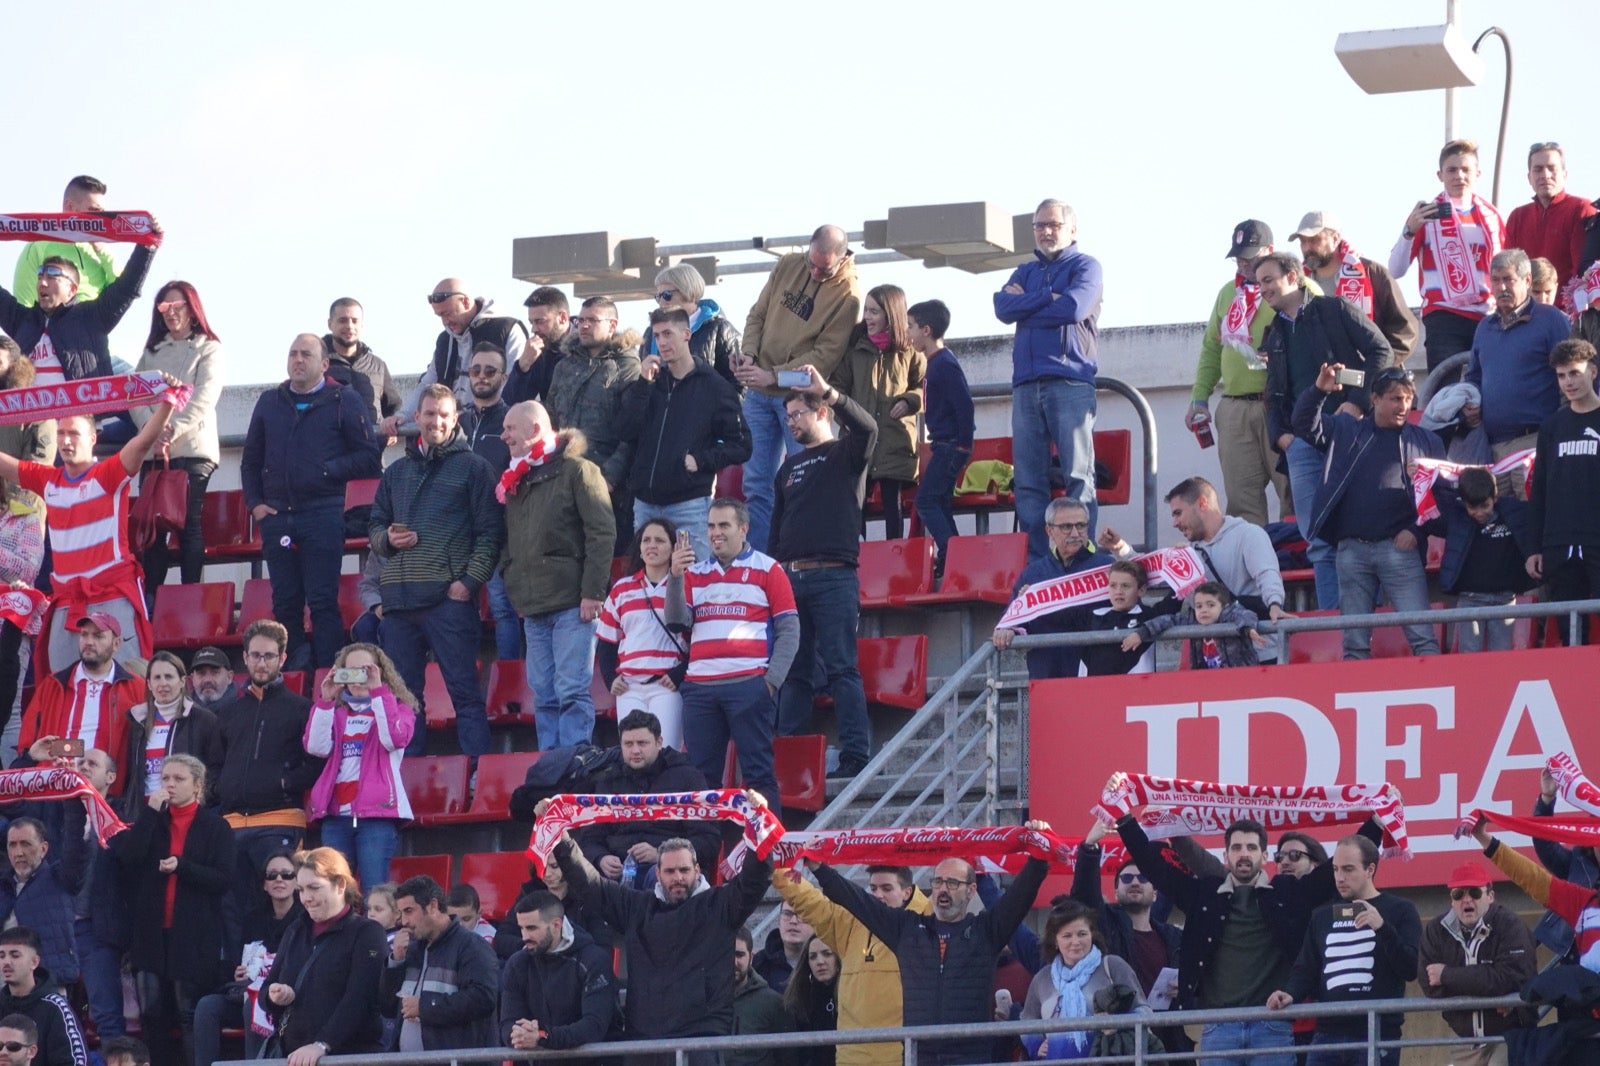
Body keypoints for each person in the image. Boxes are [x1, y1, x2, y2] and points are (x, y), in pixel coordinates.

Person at [1112, 776, 1369, 1066]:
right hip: (1218, 1028)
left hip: (1272, 1026)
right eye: (1236, 848)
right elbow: (1151, 864)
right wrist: (1122, 816)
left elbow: (1332, 873)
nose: (1243, 854)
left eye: (1250, 848)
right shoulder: (1203, 893)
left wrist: (1378, 822)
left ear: (1264, 855)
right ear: (1226, 856)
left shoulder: (1288, 893)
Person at [543, 792, 775, 1064]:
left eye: (684, 870)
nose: (678, 877)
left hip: (702, 1040)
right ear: (657, 872)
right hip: (645, 1042)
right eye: (669, 871)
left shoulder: (720, 905)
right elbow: (590, 885)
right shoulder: (636, 907)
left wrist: (759, 822)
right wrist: (560, 836)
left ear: (697, 870)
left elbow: (755, 879)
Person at [809, 822, 1053, 1066]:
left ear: (971, 891)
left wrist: (1039, 854)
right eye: (938, 882)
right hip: (918, 1057)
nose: (943, 889)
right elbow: (858, 901)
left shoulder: (985, 931)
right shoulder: (906, 929)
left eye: (953, 883)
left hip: (971, 1057)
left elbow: (1020, 896)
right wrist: (820, 869)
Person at [2, 388, 181, 674]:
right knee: (61, 686)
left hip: (111, 595)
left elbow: (144, 440)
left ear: (93, 439)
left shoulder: (108, 474)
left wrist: (168, 403)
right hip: (67, 602)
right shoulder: (48, 480)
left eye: (73, 433)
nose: (65, 441)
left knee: (129, 683)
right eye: (60, 434)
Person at [370, 384, 502, 760]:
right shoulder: (395, 473)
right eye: (429, 414)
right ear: (417, 418)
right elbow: (375, 526)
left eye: (444, 415)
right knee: (404, 699)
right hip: (398, 603)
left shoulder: (475, 468)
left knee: (465, 694)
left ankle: (478, 777)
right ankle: (409, 785)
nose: (436, 421)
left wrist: (467, 584)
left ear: (455, 419)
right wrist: (388, 541)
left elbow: (490, 534)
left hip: (448, 602)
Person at [1259, 250, 1394, 611]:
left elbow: (1381, 350)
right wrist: (1281, 437)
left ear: (1293, 276)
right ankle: (1334, 623)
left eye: (1269, 280)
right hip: (1301, 444)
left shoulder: (1335, 309)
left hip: (1347, 434)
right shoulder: (1272, 334)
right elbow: (1272, 393)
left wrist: (1358, 403)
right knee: (1318, 539)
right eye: (1259, 284)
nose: (1263, 290)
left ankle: (1368, 623)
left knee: (1363, 534)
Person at [241, 333, 381, 669]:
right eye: (292, 354)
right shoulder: (269, 401)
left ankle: (327, 677)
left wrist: (325, 471)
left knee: (322, 602)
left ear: (324, 363)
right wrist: (256, 505)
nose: (298, 360)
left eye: (306, 354)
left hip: (323, 513)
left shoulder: (343, 399)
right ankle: (291, 676)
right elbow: (250, 461)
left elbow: (368, 457)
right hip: (277, 517)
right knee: (285, 602)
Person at [1294, 365, 1443, 658]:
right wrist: (1319, 391)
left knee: (1423, 639)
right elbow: (1302, 424)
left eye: (1407, 399)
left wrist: (1416, 530)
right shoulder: (1347, 430)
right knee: (1354, 645)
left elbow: (1444, 497)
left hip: (1399, 550)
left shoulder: (1426, 441)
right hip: (1351, 551)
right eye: (1394, 399)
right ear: (1374, 399)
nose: (1403, 406)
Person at [770, 368, 876, 775]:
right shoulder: (787, 470)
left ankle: (855, 757)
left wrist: (830, 392)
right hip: (790, 577)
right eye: (790, 415)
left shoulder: (845, 454)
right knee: (794, 673)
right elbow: (775, 537)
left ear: (822, 414)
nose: (793, 421)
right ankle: (792, 758)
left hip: (834, 576)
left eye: (800, 413)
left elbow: (868, 429)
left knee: (841, 666)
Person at [736, 225, 863, 552]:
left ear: (843, 258)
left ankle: (799, 556)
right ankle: (761, 561)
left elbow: (825, 357)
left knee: (806, 480)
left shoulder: (849, 295)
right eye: (812, 263)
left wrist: (773, 376)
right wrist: (749, 355)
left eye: (825, 268)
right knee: (755, 486)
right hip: (759, 391)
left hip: (801, 399)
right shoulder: (787, 265)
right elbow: (757, 315)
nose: (815, 272)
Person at [666, 499, 795, 816]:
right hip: (700, 689)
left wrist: (770, 683)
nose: (715, 533)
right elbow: (675, 620)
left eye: (724, 525)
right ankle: (701, 863)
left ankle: (769, 861)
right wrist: (675, 576)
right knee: (699, 781)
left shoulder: (768, 568)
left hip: (749, 686)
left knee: (759, 777)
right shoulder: (694, 573)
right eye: (711, 526)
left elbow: (790, 630)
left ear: (743, 528)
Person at [499, 400, 614, 750]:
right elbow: (509, 539)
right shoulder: (518, 477)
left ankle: (575, 766)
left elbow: (602, 532)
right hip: (533, 607)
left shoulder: (578, 471)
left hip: (572, 605)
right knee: (544, 695)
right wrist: (512, 575)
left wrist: (592, 592)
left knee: (570, 691)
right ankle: (551, 768)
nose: (503, 436)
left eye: (509, 429)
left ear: (534, 430)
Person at [995, 199, 1105, 558]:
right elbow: (1001, 308)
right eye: (1039, 225)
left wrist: (1026, 304)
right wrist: (1046, 298)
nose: (1045, 231)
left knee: (1078, 477)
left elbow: (1074, 308)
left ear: (1072, 230)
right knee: (1028, 483)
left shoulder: (1087, 266)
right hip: (1026, 386)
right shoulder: (1024, 271)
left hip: (1070, 381)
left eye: (1053, 225)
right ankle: (1042, 564)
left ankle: (1080, 558)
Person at [109, 753, 235, 1066]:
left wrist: (183, 867)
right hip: (150, 935)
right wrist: (150, 814)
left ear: (198, 785)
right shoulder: (152, 821)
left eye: (178, 779)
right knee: (151, 1013)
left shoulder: (215, 826)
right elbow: (129, 858)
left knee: (187, 1013)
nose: (170, 785)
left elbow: (223, 878)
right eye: (165, 778)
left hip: (191, 936)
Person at [1266, 836, 1422, 1066]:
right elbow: (1306, 969)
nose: (1340, 878)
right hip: (1327, 1035)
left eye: (1348, 869)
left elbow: (1410, 969)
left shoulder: (1400, 910)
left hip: (1377, 1033)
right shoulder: (1322, 915)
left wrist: (1382, 927)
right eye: (1336, 869)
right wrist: (1290, 993)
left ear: (1370, 869)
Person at [216, 620, 323, 941]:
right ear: (245, 658)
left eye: (269, 656)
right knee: (232, 907)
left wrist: (281, 783)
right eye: (255, 656)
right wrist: (221, 788)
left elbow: (316, 763)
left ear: (282, 658)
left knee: (284, 902)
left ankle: (282, 977)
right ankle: (241, 979)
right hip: (232, 824)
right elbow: (215, 764)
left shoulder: (302, 709)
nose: (261, 663)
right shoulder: (229, 712)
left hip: (280, 821)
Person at [620, 308, 751, 562]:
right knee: (648, 585)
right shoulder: (651, 382)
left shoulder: (714, 386)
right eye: (657, 336)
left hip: (689, 505)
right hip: (645, 503)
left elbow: (742, 444)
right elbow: (625, 429)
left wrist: (701, 460)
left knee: (696, 584)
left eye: (668, 333)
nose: (662, 342)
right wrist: (642, 385)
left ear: (686, 334)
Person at [1188, 219, 1294, 526]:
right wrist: (1199, 399)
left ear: (1270, 251)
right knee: (1241, 501)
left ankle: (1298, 567)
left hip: (1281, 406)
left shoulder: (1295, 287)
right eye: (1238, 255)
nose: (1243, 262)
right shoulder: (1226, 293)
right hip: (1234, 408)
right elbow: (1211, 348)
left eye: (1250, 254)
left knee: (1293, 495)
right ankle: (1249, 568)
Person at [771, 864, 929, 1066]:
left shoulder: (929, 921)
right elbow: (811, 903)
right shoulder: (851, 922)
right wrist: (776, 868)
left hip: (905, 1058)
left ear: (907, 892)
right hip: (852, 1058)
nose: (878, 895)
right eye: (873, 889)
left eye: (887, 889)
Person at [132, 279, 223, 592]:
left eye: (177, 306)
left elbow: (205, 396)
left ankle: (190, 597)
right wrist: (151, 430)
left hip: (193, 451)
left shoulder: (208, 348)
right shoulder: (150, 352)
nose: (170, 312)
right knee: (152, 528)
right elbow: (136, 395)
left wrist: (171, 429)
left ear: (192, 308)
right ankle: (152, 604)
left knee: (189, 525)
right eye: (164, 306)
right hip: (154, 451)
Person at [303, 642, 415, 893]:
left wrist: (379, 693)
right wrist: (325, 700)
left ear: (380, 673)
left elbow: (393, 739)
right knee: (335, 894)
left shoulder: (399, 710)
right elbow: (315, 747)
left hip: (376, 816)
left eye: (365, 670)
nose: (358, 678)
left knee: (375, 892)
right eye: (350, 671)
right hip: (335, 816)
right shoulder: (337, 713)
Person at [0, 216, 159, 388]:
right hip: (34, 415)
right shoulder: (23, 321)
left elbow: (126, 287)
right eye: (40, 277)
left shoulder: (92, 317)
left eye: (52, 277)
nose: (43, 283)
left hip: (84, 414)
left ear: (72, 289)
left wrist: (146, 246)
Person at [262, 847, 388, 1064]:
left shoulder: (367, 932)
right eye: (301, 890)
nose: (306, 898)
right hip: (295, 1056)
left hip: (348, 1056)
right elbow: (267, 989)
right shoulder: (295, 931)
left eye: (314, 888)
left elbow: (360, 998)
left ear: (340, 885)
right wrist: (275, 996)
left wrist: (322, 1043)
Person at [1389, 139, 1506, 371]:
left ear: (1478, 174)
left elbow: (1504, 267)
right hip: (1443, 314)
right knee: (1445, 391)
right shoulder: (1426, 214)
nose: (1459, 176)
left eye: (1466, 170)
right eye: (1452, 170)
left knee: (1489, 389)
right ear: (1440, 175)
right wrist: (1409, 231)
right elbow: (1395, 269)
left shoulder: (1492, 217)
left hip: (1486, 315)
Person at [1073, 821, 1186, 1054]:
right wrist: (1089, 847)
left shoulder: (1174, 937)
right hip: (1122, 1045)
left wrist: (1185, 989)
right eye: (1126, 879)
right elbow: (1085, 895)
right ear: (1115, 892)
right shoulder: (1107, 926)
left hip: (1170, 1042)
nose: (1135, 882)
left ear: (1155, 893)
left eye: (1143, 878)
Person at [574, 709, 720, 879]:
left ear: (659, 742)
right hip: (617, 873)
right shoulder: (608, 780)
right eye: (628, 744)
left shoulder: (687, 777)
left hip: (670, 872)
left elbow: (708, 839)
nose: (635, 750)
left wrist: (661, 854)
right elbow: (590, 837)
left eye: (642, 743)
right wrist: (600, 858)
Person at [191, 850, 305, 1066]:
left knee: (252, 1005)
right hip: (249, 990)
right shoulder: (253, 917)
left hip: (287, 996)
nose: (279, 879)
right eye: (272, 875)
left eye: (287, 874)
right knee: (207, 1006)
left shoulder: (305, 918)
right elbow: (243, 959)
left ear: (297, 882)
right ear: (264, 884)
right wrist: (239, 971)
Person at [1416, 862, 1537, 1066]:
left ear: (1490, 896)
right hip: (1465, 1041)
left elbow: (1511, 978)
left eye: (1474, 892)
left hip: (1510, 1036)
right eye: (1458, 894)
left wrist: (1447, 975)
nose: (1466, 900)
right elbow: (1429, 985)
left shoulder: (1510, 925)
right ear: (1451, 900)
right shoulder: (1436, 930)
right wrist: (1493, 993)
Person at [829, 284, 924, 540]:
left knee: (893, 504)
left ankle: (895, 554)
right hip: (858, 442)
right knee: (854, 502)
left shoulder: (910, 351)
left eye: (874, 312)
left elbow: (924, 386)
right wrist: (848, 419)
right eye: (866, 311)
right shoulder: (854, 349)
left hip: (896, 440)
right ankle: (857, 556)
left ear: (891, 314)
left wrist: (910, 401)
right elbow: (836, 388)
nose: (867, 317)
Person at [549, 297, 640, 552]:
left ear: (612, 325)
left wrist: (610, 475)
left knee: (603, 553)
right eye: (580, 320)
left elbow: (632, 429)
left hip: (605, 479)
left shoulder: (627, 366)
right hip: (562, 474)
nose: (584, 326)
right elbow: (550, 417)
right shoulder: (564, 366)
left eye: (592, 320)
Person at [1467, 248, 1572, 464]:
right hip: (1492, 448)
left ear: (1527, 280)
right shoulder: (1484, 328)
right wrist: (1468, 404)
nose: (1501, 287)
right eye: (1495, 280)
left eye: (1508, 279)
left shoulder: (1550, 319)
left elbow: (1574, 372)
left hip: (1537, 444)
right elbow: (1473, 379)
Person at [1526, 340, 1600, 643]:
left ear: (1592, 372)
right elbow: (1540, 488)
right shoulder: (1552, 426)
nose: (1568, 382)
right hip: (1560, 546)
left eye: (1574, 373)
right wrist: (1534, 548)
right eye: (1561, 375)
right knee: (1571, 636)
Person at [386, 280, 528, 434]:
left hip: (495, 429)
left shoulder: (507, 330)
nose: (445, 322)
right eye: (439, 315)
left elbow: (514, 380)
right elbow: (427, 384)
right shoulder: (445, 340)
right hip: (452, 431)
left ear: (466, 302)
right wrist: (403, 416)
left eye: (447, 313)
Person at [992, 498, 1113, 679]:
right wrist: (1009, 628)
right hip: (1047, 676)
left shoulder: (1107, 568)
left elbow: (1131, 612)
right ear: (1049, 531)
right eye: (1066, 527)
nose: (1075, 533)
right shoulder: (1033, 573)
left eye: (1081, 525)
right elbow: (1010, 618)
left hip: (1097, 675)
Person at [596, 521, 691, 750]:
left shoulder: (687, 586)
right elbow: (607, 642)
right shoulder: (622, 589)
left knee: (666, 751)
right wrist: (610, 678)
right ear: (639, 548)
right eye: (646, 540)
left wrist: (679, 673)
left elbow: (697, 640)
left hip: (666, 686)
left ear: (673, 548)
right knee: (633, 756)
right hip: (629, 688)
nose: (652, 545)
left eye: (660, 540)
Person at [16, 613, 145, 779]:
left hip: (107, 792)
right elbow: (27, 742)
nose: (89, 642)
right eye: (84, 634)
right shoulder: (53, 684)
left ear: (116, 644)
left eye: (98, 636)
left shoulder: (137, 688)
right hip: (54, 786)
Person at [1017, 900, 1148, 1062]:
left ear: (1092, 934)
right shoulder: (1042, 978)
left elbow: (1144, 1010)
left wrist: (1117, 1023)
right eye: (1067, 936)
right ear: (1055, 941)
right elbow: (1027, 1021)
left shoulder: (1113, 966)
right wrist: (1036, 1045)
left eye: (1082, 934)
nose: (1076, 942)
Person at [382, 875, 498, 1054]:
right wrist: (395, 961)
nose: (404, 921)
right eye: (401, 913)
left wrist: (426, 1007)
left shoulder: (472, 946)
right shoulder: (409, 950)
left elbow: (484, 999)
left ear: (433, 906)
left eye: (409, 911)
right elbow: (388, 1007)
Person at [1288, 211, 1418, 366]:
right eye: (1303, 242)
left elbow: (1404, 331)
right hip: (1320, 381)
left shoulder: (1371, 273)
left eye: (1315, 240)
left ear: (1335, 238)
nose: (1307, 248)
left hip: (1372, 382)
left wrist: (1378, 366)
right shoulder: (1298, 285)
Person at [458, 341, 521, 662]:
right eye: (475, 370)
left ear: (504, 377)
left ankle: (509, 677)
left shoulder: (512, 421)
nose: (481, 377)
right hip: (456, 531)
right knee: (455, 607)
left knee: (502, 607)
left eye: (490, 371)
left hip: (497, 530)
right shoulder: (456, 420)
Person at [498, 890, 619, 1053]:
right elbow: (508, 1022)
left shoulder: (593, 960)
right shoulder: (517, 963)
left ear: (556, 925)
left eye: (532, 928)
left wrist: (544, 1036)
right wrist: (519, 1035)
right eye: (522, 928)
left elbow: (594, 1025)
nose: (525, 936)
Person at [1430, 466, 1535, 653]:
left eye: (1484, 505)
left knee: (1501, 656)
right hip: (1470, 599)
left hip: (1504, 599)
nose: (1479, 513)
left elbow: (1540, 506)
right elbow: (1433, 498)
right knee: (1469, 655)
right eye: (1472, 507)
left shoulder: (1515, 513)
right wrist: (1418, 478)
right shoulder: (1457, 517)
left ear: (1495, 497)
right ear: (1463, 503)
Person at [908, 300, 973, 571]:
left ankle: (950, 551)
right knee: (940, 502)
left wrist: (962, 445)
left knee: (926, 500)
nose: (908, 333)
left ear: (926, 330)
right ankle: (954, 556)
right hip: (944, 444)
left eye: (911, 327)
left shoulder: (943, 363)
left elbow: (964, 404)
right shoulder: (936, 363)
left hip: (950, 446)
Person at [120, 650, 223, 813]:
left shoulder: (204, 720)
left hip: (186, 814)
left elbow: (215, 769)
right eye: (157, 678)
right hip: (145, 814)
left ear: (182, 681)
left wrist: (197, 802)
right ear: (148, 684)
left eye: (169, 677)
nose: (163, 684)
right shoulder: (137, 721)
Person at [1048, 560, 1179, 677]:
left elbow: (1178, 594)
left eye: (1125, 586)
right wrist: (1027, 596)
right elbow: (1047, 611)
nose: (1118, 591)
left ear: (1142, 590)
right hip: (1093, 694)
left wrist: (1183, 556)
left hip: (1136, 695)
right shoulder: (1091, 616)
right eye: (1113, 585)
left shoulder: (1148, 615)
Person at [0, 817, 88, 989]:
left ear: (43, 849)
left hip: (46, 986)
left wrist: (73, 800)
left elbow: (74, 847)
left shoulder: (60, 878)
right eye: (13, 845)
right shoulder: (3, 885)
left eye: (26, 844)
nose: (19, 853)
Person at [11, 177, 118, 307]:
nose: (101, 219)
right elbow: (23, 307)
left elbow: (123, 291)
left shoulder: (99, 250)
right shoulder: (38, 246)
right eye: (94, 211)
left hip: (95, 324)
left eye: (103, 213)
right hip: (55, 325)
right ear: (70, 207)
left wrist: (102, 250)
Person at [1505, 142, 1596, 289]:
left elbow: (1583, 271)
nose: (1545, 175)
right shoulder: (1518, 217)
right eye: (1538, 169)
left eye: (1552, 168)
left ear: (1565, 174)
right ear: (1529, 177)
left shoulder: (1581, 209)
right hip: (1527, 308)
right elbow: (1509, 271)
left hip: (1569, 307)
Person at [1123, 581, 1266, 669]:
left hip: (1240, 679)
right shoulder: (1192, 619)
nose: (1204, 610)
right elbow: (1168, 620)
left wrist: (1248, 629)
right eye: (1199, 606)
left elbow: (1245, 615)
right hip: (1207, 680)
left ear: (1224, 606)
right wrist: (1142, 632)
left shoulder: (1229, 615)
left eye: (1210, 605)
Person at [651, 263, 742, 389]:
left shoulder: (720, 330)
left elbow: (740, 384)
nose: (661, 302)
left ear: (688, 293)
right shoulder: (651, 333)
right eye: (658, 297)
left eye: (667, 295)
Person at [0, 930, 83, 1066]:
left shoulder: (56, 1008)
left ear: (34, 962)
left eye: (15, 956)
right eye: (1, 956)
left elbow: (75, 1061)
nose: (6, 962)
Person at [323, 298, 399, 425]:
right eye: (343, 321)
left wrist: (390, 427)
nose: (349, 326)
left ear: (362, 325)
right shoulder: (316, 362)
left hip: (372, 443)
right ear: (330, 324)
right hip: (330, 443)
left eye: (355, 321)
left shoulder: (377, 365)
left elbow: (393, 406)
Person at [731, 926, 794, 1066]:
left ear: (751, 957)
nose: (733, 962)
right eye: (726, 954)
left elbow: (789, 1058)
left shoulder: (773, 1003)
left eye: (739, 954)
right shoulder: (705, 1003)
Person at [506, 286, 577, 407]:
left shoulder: (589, 347)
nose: (534, 329)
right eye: (531, 322)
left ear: (563, 318)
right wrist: (522, 367)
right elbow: (512, 405)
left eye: (540, 321)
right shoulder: (539, 351)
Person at [783, 934, 839, 1066]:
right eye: (813, 956)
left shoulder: (851, 994)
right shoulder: (801, 998)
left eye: (827, 954)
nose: (820, 961)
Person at [753, 903, 815, 996]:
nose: (793, 921)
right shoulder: (759, 965)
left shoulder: (829, 964)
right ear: (779, 921)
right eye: (787, 914)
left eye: (802, 914)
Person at [187, 647, 238, 714]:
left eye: (215, 672)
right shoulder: (180, 714)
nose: (207, 680)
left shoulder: (245, 712)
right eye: (201, 673)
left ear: (229, 677)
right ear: (192, 679)